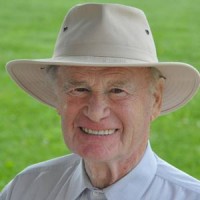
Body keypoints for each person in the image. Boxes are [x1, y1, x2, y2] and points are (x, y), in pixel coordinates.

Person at [1, 3, 200, 200]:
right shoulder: (25, 190)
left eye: (117, 90)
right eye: (79, 89)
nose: (96, 112)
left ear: (155, 100)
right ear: (58, 97)